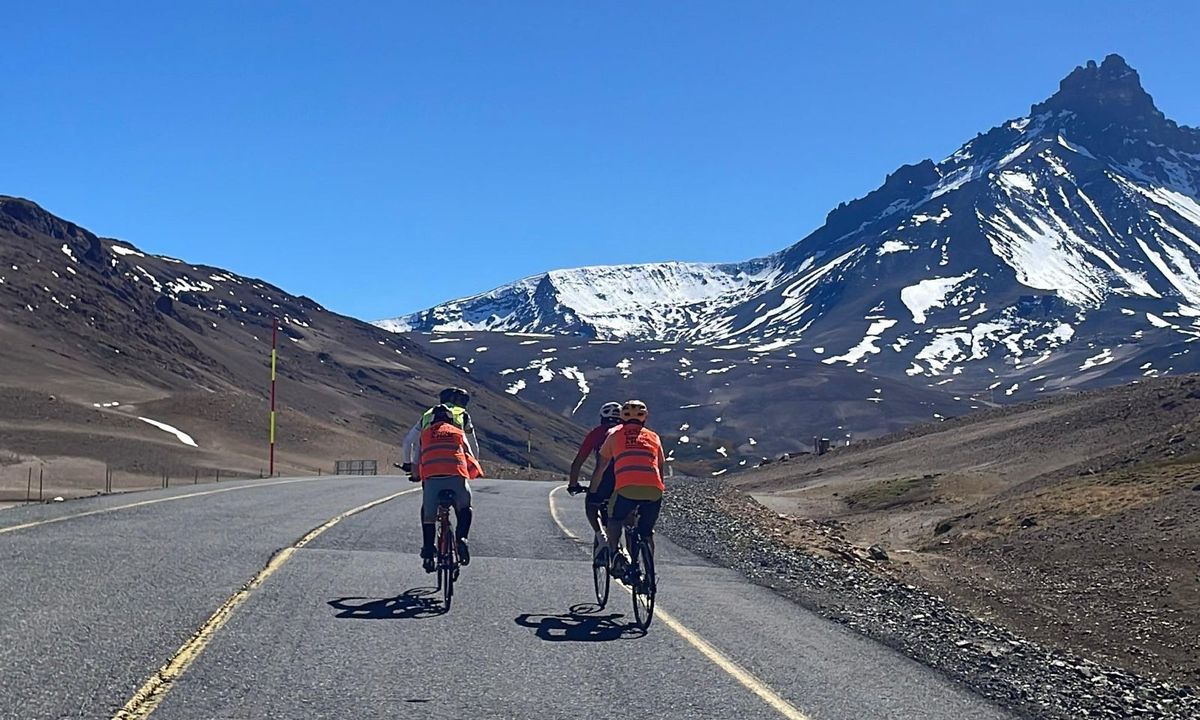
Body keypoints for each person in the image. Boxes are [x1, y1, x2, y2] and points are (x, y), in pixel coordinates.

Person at [589, 400, 665, 577]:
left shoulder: (614, 435)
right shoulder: (653, 437)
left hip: (626, 489)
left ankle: (615, 554)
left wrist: (593, 492)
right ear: (645, 418)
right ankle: (649, 573)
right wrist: (659, 490)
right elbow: (660, 466)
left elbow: (601, 467)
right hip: (654, 490)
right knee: (646, 533)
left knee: (615, 519)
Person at [415, 404, 483, 573]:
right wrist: (473, 471)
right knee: (465, 507)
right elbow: (469, 454)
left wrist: (415, 474)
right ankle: (461, 538)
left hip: (432, 481)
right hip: (456, 478)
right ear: (451, 419)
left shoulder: (424, 434)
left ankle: (429, 552)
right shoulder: (458, 432)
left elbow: (416, 459)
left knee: (428, 516)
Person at [567, 401, 623, 563]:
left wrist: (573, 485)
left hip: (603, 478)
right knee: (624, 513)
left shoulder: (596, 433)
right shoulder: (625, 432)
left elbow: (578, 462)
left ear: (602, 417)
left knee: (592, 504)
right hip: (626, 478)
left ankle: (601, 536)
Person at [400, 387, 479, 473]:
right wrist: (475, 464)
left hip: (428, 464)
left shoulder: (428, 415)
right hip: (456, 464)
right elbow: (471, 443)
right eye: (462, 400)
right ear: (454, 399)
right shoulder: (463, 415)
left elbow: (407, 442)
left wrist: (407, 464)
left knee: (422, 441)